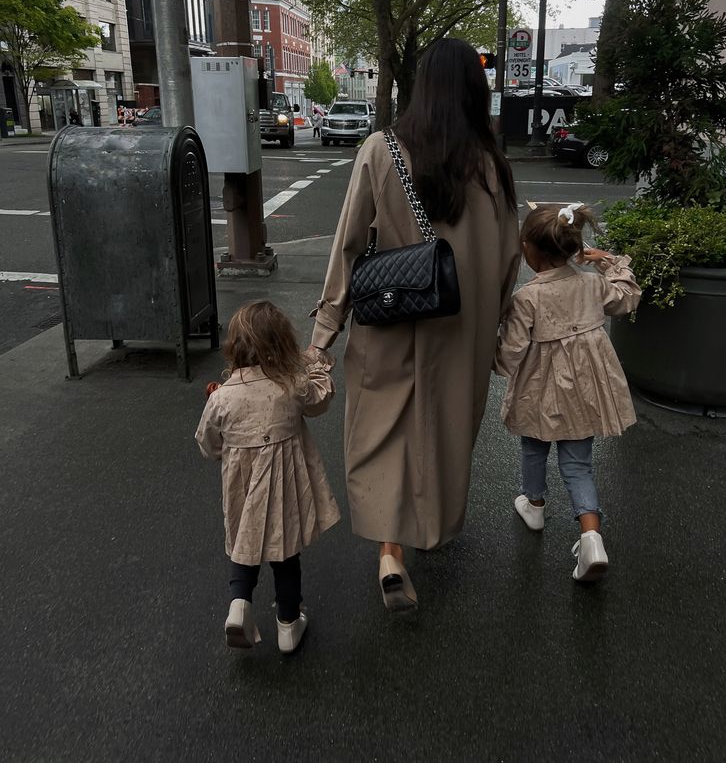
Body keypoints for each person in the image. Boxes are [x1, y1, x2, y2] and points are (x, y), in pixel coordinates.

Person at [308, 37, 520, 611]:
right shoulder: (492, 169)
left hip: (389, 318)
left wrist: (326, 329)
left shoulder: (382, 150)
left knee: (382, 433)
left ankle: (389, 552)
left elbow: (349, 244)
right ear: (475, 92)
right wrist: (497, 329)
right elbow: (507, 261)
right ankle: (430, 527)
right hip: (461, 332)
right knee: (443, 434)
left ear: (419, 87)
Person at [494, 203, 641, 582]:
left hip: (539, 392)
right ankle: (591, 536)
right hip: (586, 391)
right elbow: (626, 297)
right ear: (574, 248)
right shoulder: (593, 284)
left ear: (528, 248)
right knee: (578, 464)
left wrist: (487, 359)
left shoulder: (527, 298)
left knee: (534, 446)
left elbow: (510, 355)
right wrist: (608, 260)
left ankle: (535, 504)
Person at [195, 301, 341, 653]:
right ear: (283, 344)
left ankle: (239, 604)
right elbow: (321, 399)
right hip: (285, 489)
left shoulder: (223, 397)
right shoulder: (292, 385)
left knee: (244, 544)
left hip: (242, 488)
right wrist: (317, 364)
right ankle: (289, 624)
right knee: (285, 553)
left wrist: (226, 453)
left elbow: (207, 442)